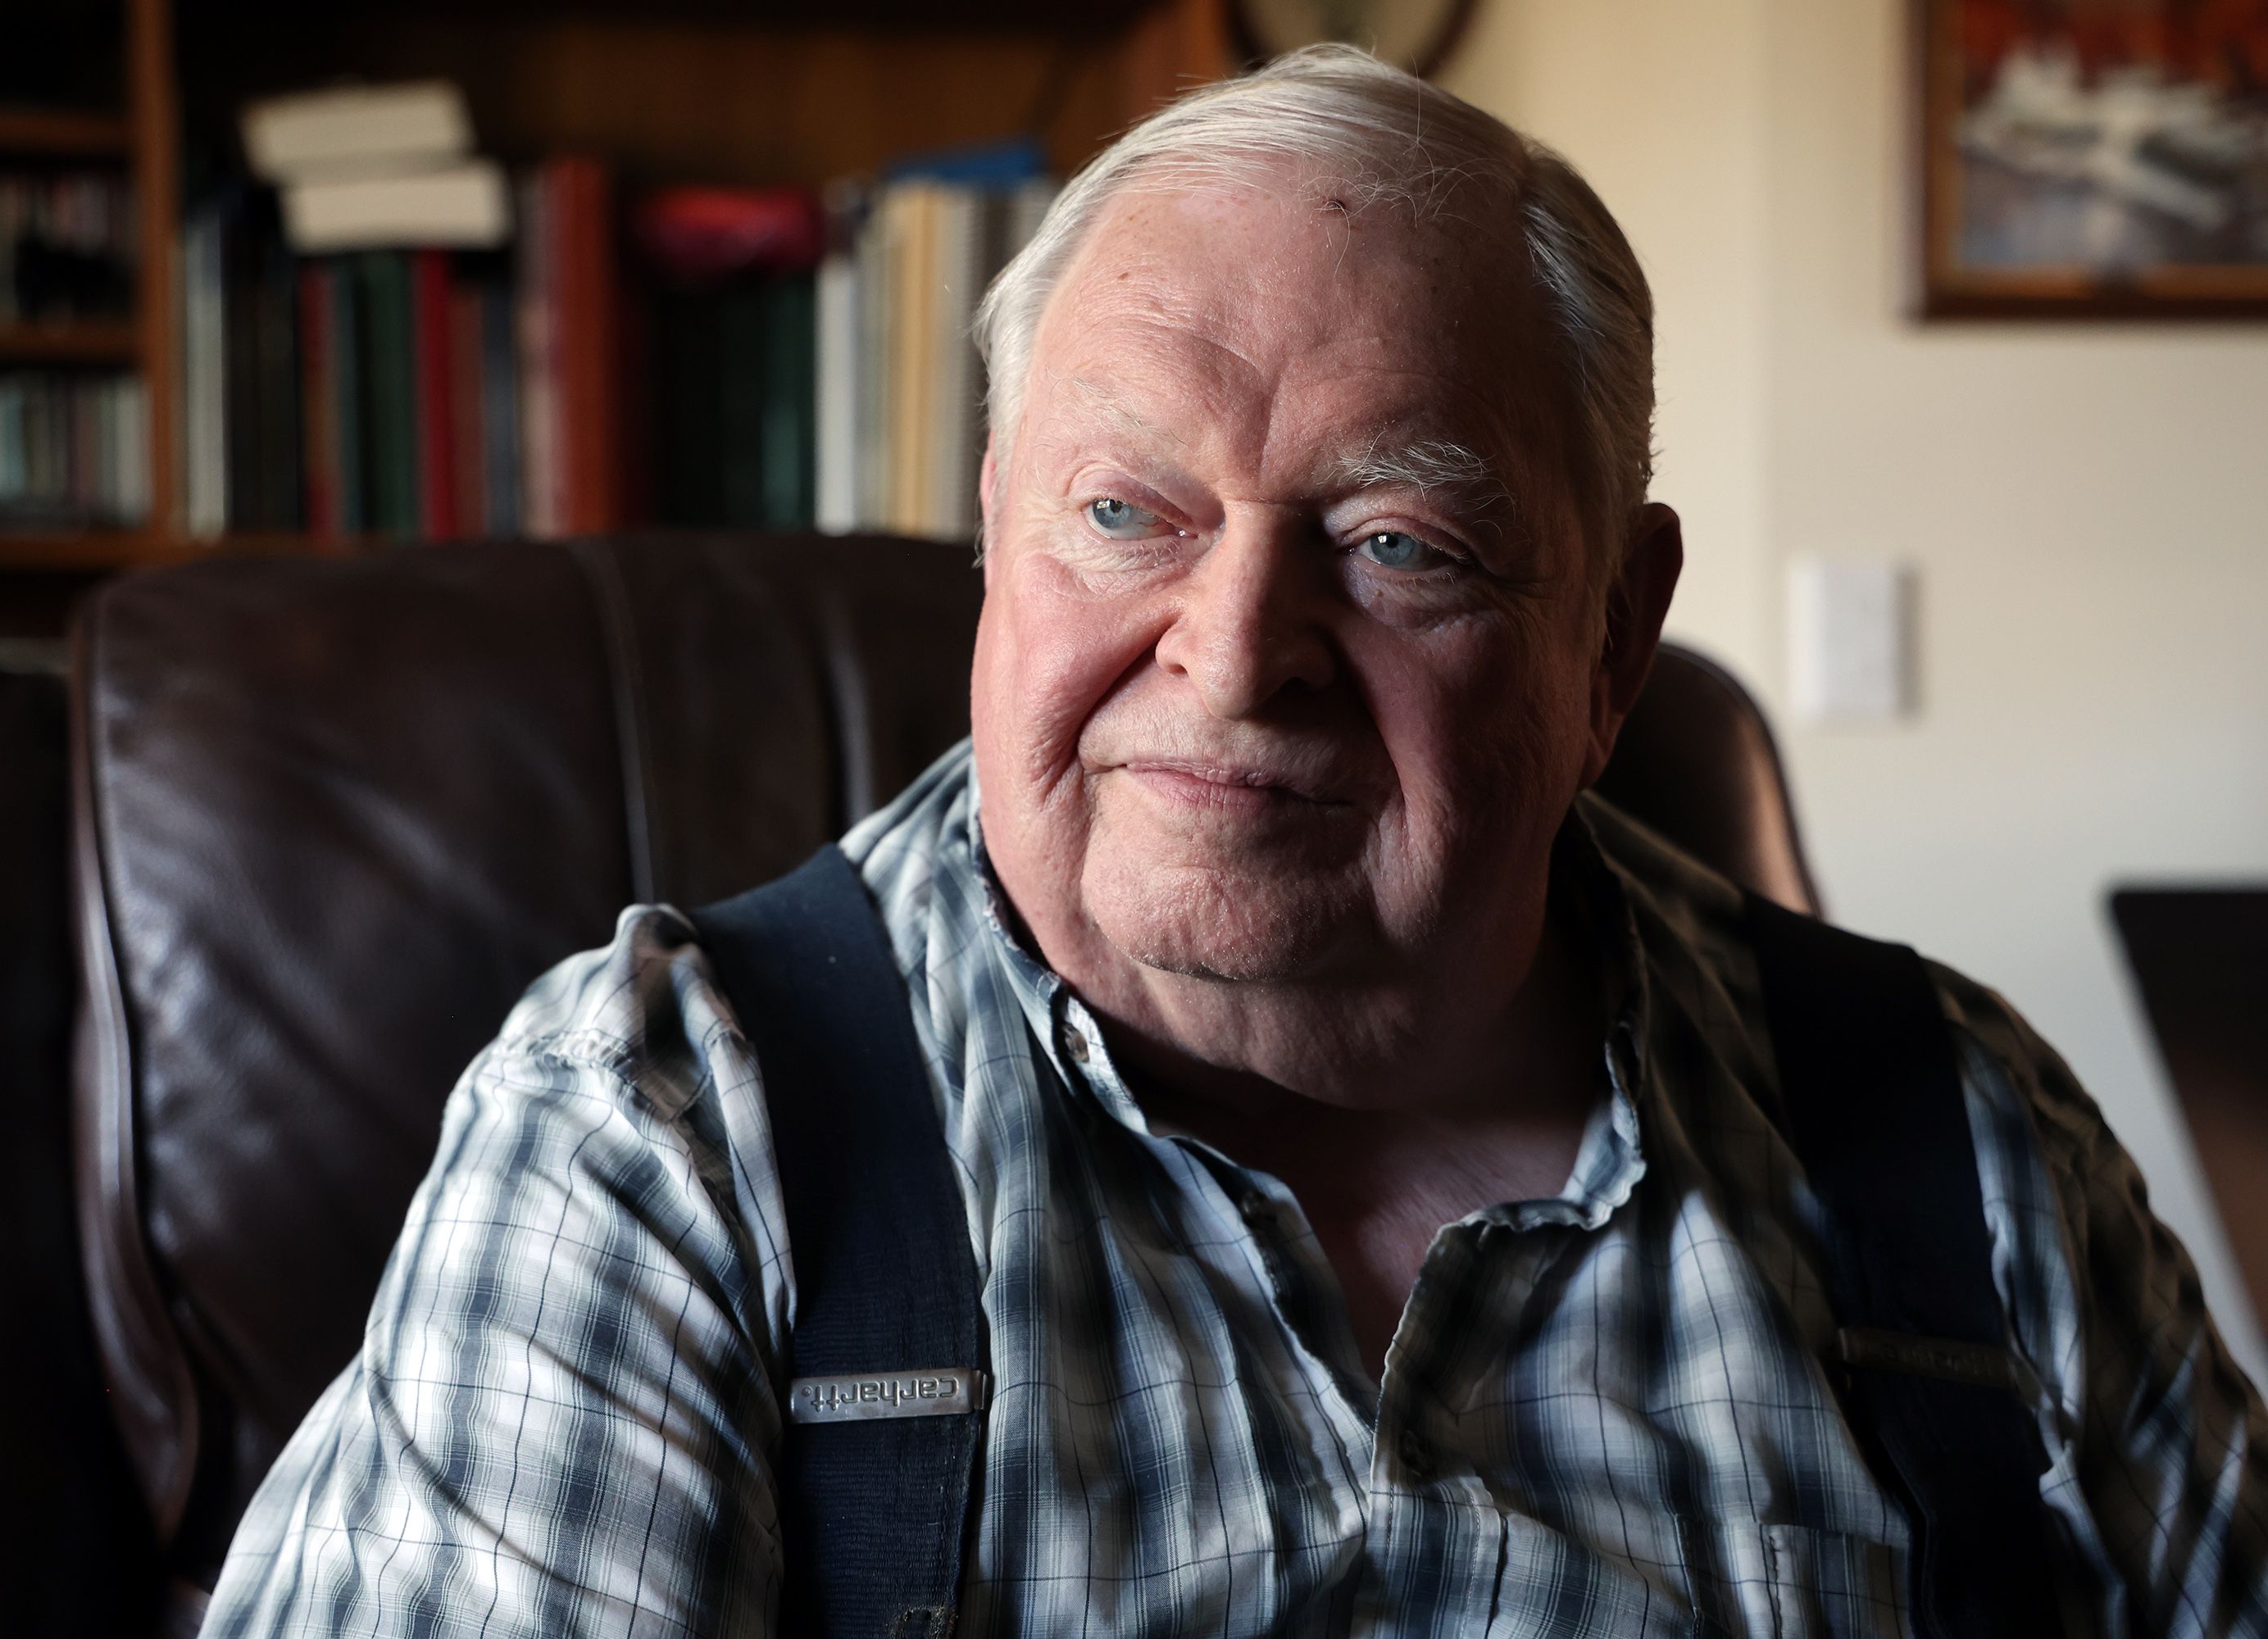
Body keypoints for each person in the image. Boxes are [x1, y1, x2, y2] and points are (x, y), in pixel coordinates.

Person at [202, 46, 2266, 1637]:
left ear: (1614, 640)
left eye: (1399, 543)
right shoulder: (668, 1141)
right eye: (1129, 512)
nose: (1239, 651)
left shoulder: (1958, 1146)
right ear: (999, 528)